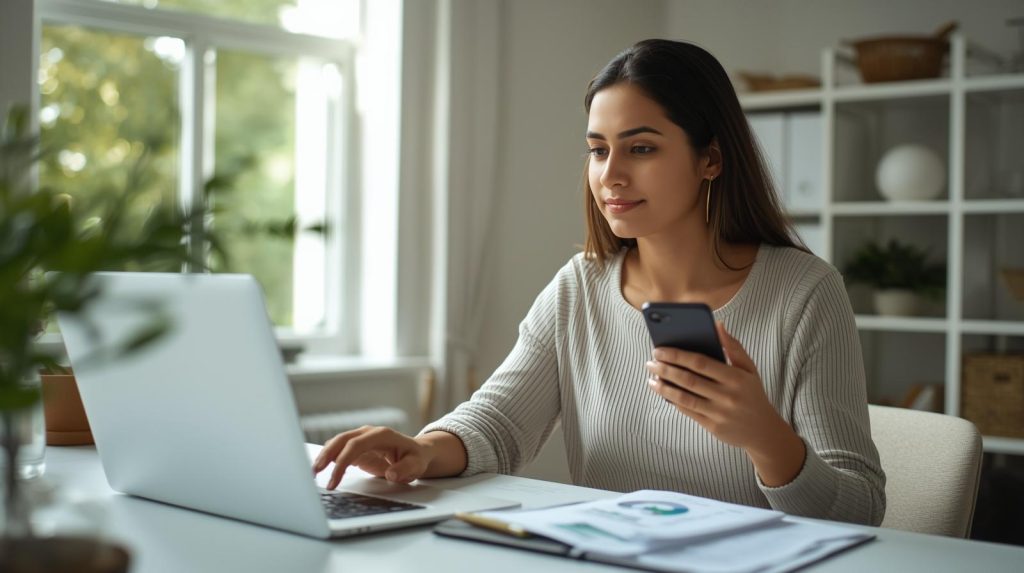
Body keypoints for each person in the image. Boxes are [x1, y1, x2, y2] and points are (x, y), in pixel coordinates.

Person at [313, 39, 886, 526]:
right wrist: (420, 451)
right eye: (597, 150)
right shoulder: (580, 288)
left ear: (710, 159)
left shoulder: (805, 293)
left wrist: (766, 438)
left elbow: (861, 508)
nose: (610, 175)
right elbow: (499, 424)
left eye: (641, 148)